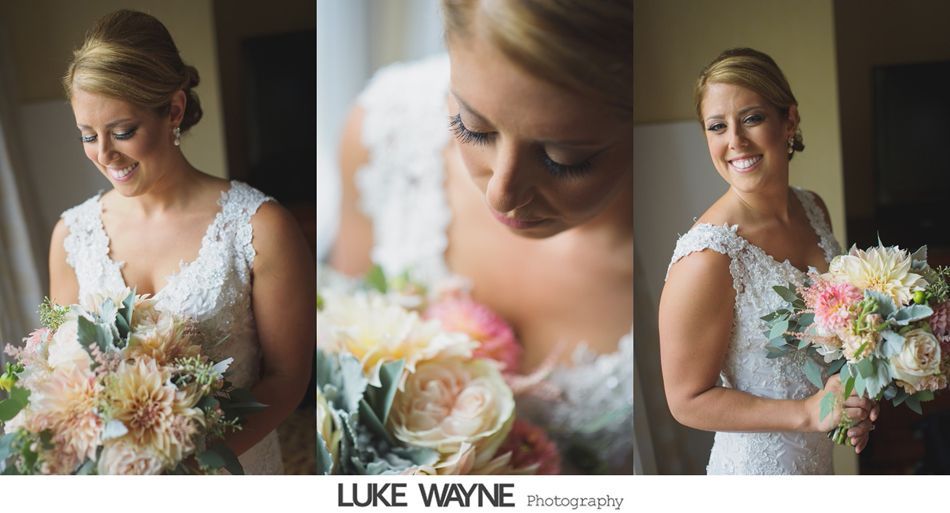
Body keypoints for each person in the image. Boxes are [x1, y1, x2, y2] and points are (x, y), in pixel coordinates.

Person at [327, 0, 633, 473]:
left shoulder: (684, 251)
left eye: (564, 159)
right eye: (470, 128)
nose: (502, 195)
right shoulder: (382, 137)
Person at [48, 10, 314, 474]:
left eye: (122, 131)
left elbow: (288, 378)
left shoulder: (260, 228)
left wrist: (184, 461)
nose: (105, 155)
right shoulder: (72, 235)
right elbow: (64, 378)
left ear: (172, 109)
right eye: (88, 136)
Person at [659, 48, 878, 474]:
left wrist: (851, 396)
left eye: (752, 118)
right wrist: (808, 413)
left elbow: (832, 338)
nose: (735, 141)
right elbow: (686, 401)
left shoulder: (813, 208)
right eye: (717, 126)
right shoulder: (707, 257)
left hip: (816, 466)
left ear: (789, 121)